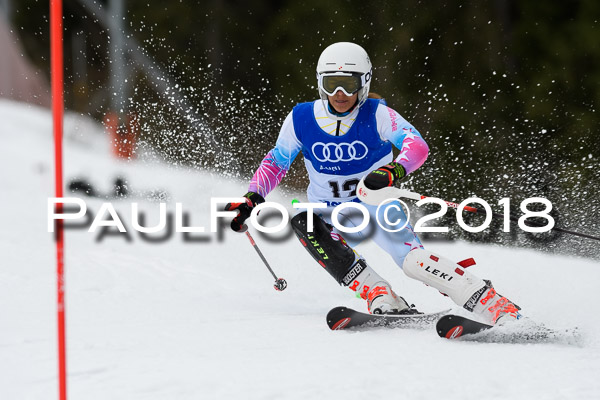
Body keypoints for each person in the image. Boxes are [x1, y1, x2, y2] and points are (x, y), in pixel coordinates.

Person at [226, 42, 521, 325]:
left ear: (364, 82)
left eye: (349, 84)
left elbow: (416, 146)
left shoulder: (378, 114)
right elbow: (277, 161)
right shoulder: (301, 117)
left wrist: (393, 170)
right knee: (305, 222)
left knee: (413, 262)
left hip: (377, 208)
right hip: (329, 211)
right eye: (331, 84)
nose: (340, 93)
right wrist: (252, 198)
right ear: (320, 82)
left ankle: (493, 304)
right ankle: (381, 294)